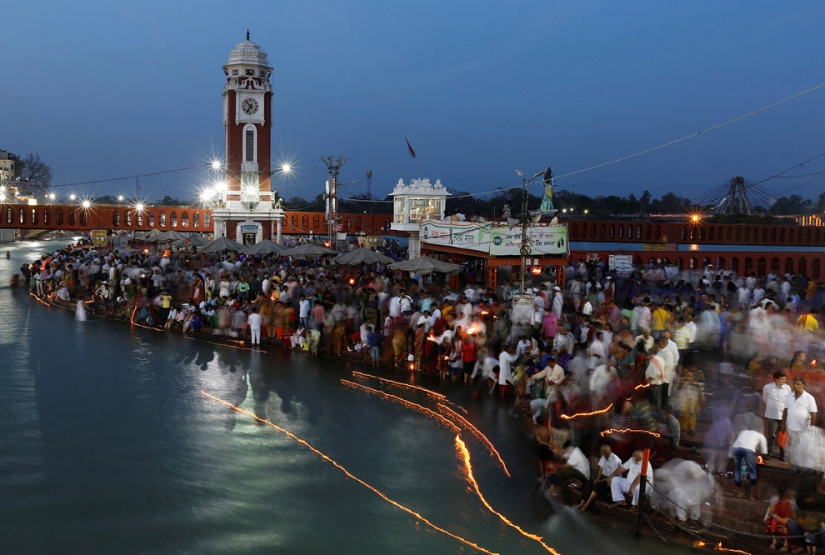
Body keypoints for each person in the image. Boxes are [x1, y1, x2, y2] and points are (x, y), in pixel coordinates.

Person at [783, 377, 818, 468]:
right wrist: (783, 424)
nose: (795, 386)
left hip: (804, 428)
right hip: (791, 427)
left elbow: (813, 414)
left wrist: (811, 428)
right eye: (794, 384)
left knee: (803, 448)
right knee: (793, 447)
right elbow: (785, 410)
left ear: (803, 385)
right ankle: (795, 466)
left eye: (798, 384)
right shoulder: (789, 396)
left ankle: (805, 466)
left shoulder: (809, 398)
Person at [579, 444, 622, 511]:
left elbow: (611, 476)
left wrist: (600, 481)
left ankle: (586, 505)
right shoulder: (604, 457)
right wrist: (598, 479)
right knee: (589, 483)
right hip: (603, 477)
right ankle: (581, 503)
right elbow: (601, 469)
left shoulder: (616, 461)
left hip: (611, 480)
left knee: (597, 486)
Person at [730, 428, 767, 500]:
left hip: (735, 448)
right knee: (752, 471)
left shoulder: (743, 431)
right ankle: (752, 495)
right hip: (748, 450)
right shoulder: (761, 436)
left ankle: (740, 492)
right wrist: (761, 457)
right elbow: (764, 453)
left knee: (737, 469)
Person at [763, 371, 792, 460]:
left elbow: (789, 401)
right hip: (772, 415)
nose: (784, 381)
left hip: (783, 416)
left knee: (782, 435)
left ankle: (783, 453)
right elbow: (765, 399)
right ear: (776, 379)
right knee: (772, 435)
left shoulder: (787, 388)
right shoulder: (767, 387)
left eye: (785, 379)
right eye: (782, 379)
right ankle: (769, 451)